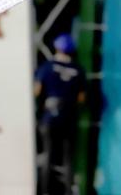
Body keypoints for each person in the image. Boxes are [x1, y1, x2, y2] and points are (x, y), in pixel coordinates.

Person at [34, 33, 87, 195]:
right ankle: (68, 192)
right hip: (69, 117)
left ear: (56, 47)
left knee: (49, 154)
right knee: (68, 158)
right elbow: (81, 98)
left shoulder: (47, 66)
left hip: (50, 117)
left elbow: (37, 91)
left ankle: (44, 190)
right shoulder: (79, 70)